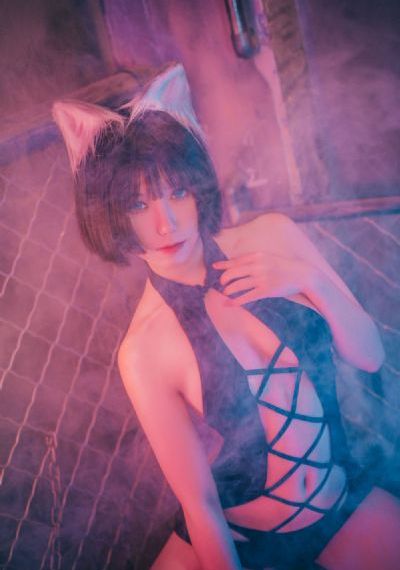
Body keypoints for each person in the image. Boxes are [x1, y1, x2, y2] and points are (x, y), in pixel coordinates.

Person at [53, 63, 400, 570]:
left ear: (198, 188)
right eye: (138, 205)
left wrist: (308, 279)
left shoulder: (272, 237)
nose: (166, 223)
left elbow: (369, 357)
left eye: (177, 192)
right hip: (244, 534)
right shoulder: (143, 349)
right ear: (110, 213)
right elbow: (201, 506)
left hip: (339, 501)